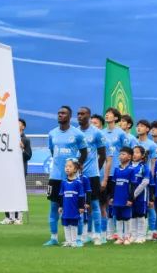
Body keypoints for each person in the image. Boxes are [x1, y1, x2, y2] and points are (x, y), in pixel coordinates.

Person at [44, 106, 88, 247]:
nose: (60, 115)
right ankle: (54, 237)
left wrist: (76, 166)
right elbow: (53, 152)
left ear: (69, 116)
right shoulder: (52, 133)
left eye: (63, 113)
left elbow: (84, 153)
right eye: (59, 113)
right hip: (55, 177)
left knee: (75, 208)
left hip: (72, 179)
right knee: (54, 207)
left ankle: (78, 238)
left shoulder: (77, 134)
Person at [100, 108, 133, 240]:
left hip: (118, 172)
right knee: (105, 202)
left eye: (109, 114)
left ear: (115, 118)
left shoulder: (121, 133)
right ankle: (109, 231)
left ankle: (124, 232)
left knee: (119, 201)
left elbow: (127, 151)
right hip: (104, 172)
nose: (107, 115)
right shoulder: (101, 133)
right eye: (106, 114)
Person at [76, 107, 107, 244]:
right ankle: (83, 233)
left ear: (88, 116)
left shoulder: (97, 133)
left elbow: (103, 155)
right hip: (78, 175)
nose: (79, 116)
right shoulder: (75, 132)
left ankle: (98, 234)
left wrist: (96, 170)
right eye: (78, 114)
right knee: (81, 204)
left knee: (94, 204)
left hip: (92, 175)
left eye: (82, 114)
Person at [3, 118, 32, 225]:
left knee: (19, 194)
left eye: (19, 123)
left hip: (20, 171)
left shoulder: (26, 140)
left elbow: (28, 156)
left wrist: (22, 149)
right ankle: (9, 217)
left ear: (23, 127)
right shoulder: (9, 138)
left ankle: (19, 217)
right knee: (8, 193)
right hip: (9, 170)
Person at [109, 146, 136, 244]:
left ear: (129, 157)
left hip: (126, 198)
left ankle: (127, 237)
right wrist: (112, 197)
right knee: (118, 217)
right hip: (117, 198)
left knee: (127, 217)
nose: (121, 156)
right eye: (120, 154)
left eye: (123, 154)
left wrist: (130, 199)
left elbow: (133, 186)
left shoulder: (131, 169)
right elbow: (113, 184)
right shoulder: (116, 169)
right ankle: (120, 237)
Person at [59, 160, 87, 248]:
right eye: (66, 166)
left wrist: (81, 207)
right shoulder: (63, 182)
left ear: (75, 170)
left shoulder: (78, 183)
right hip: (66, 209)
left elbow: (81, 196)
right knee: (66, 224)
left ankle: (74, 241)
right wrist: (60, 206)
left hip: (74, 208)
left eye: (70, 166)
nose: (67, 168)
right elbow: (61, 195)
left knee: (74, 225)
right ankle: (68, 241)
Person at [130, 146, 151, 244]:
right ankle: (133, 235)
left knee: (141, 215)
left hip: (141, 195)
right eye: (133, 152)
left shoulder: (144, 167)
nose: (134, 154)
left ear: (142, 156)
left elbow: (145, 181)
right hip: (130, 195)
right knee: (133, 215)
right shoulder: (128, 166)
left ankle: (141, 236)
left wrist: (135, 193)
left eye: (137, 152)